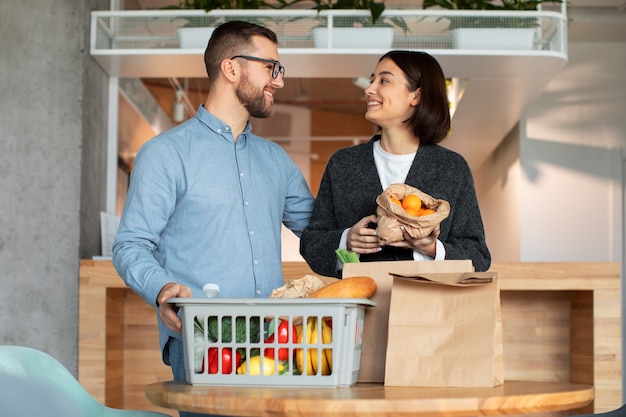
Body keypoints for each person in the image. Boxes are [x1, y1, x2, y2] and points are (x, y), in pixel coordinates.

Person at [112, 20, 314, 417]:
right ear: (232, 68)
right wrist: (161, 288)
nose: (279, 81)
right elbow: (131, 243)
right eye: (271, 67)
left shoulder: (276, 160)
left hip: (275, 343)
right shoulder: (166, 153)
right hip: (204, 340)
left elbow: (320, 232)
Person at [300, 50, 490, 278]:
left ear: (416, 96)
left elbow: (478, 255)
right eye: (372, 80)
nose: (370, 89)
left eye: (384, 81)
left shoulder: (451, 168)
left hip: (427, 308)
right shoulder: (343, 164)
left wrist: (430, 248)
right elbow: (312, 242)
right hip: (361, 307)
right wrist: (347, 239)